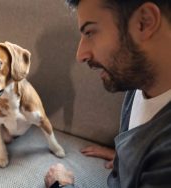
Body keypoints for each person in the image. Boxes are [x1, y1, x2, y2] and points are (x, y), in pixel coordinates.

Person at [44, 0, 171, 187]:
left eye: (90, 32)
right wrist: (128, 157)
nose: (81, 55)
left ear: (145, 21)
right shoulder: (139, 79)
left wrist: (61, 185)